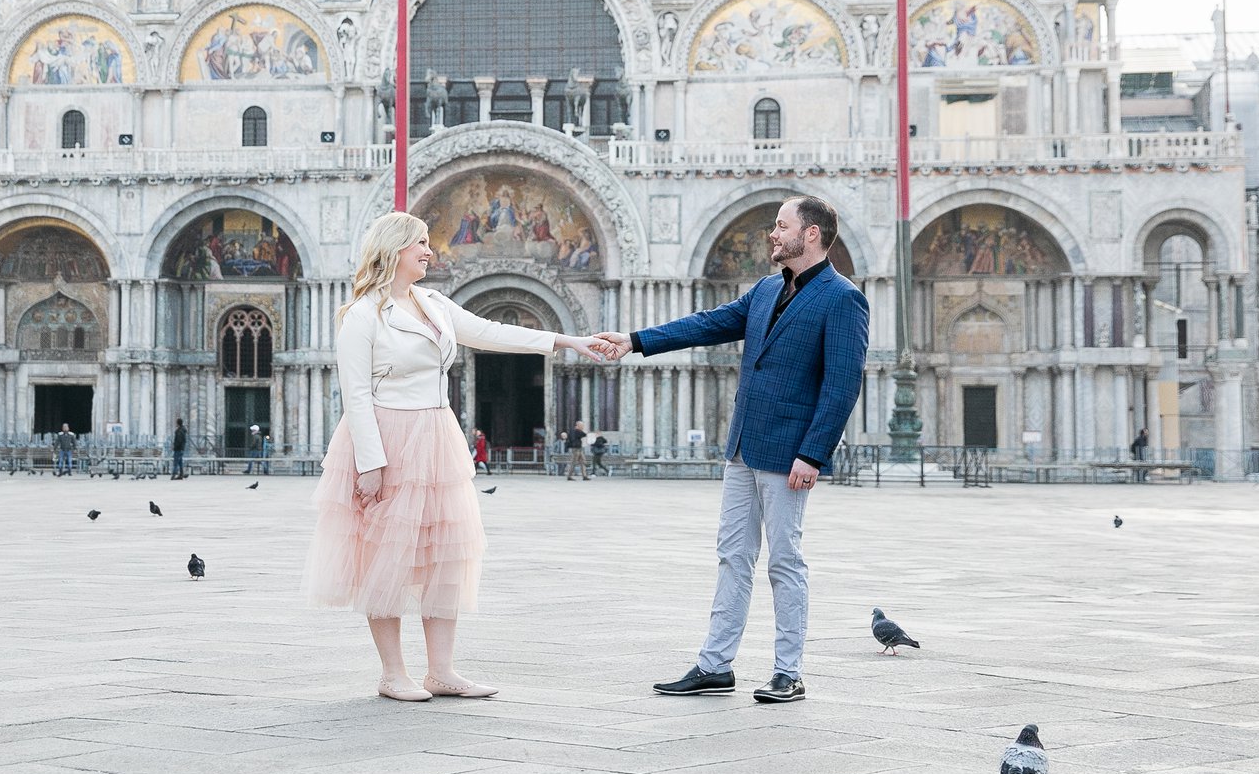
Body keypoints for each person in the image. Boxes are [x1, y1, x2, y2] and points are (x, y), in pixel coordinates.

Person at [305, 211, 613, 701]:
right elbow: (356, 396)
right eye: (421, 244)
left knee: (444, 553)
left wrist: (566, 340)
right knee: (386, 553)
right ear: (394, 249)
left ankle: (441, 671)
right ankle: (392, 673)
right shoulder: (363, 314)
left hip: (436, 433)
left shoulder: (433, 303)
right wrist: (371, 462)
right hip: (386, 436)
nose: (430, 251)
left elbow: (491, 332)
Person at [597, 196, 867, 706]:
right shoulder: (766, 290)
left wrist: (814, 454)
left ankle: (789, 672)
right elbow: (707, 324)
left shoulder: (842, 298)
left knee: (785, 561)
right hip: (743, 445)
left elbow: (842, 385)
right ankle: (715, 665)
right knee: (732, 557)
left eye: (782, 226)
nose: (773, 233)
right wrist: (635, 340)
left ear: (810, 234)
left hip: (790, 453)